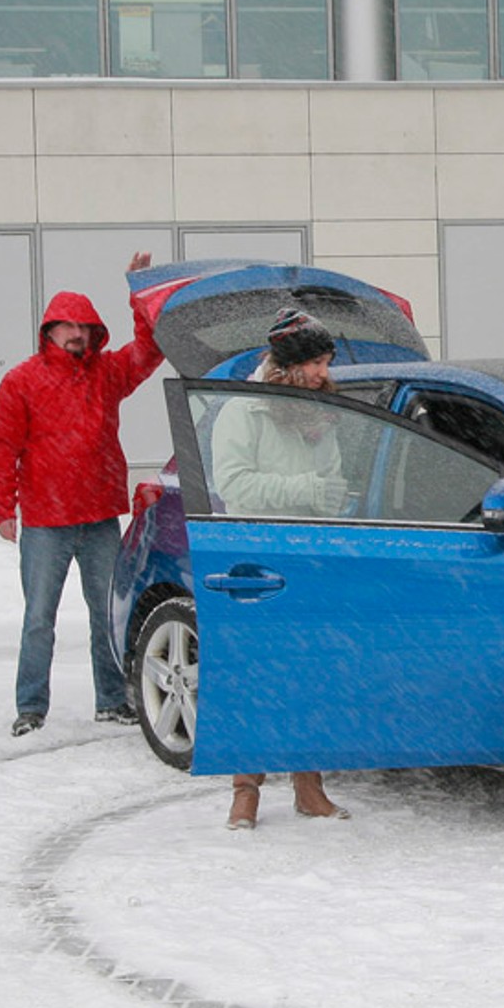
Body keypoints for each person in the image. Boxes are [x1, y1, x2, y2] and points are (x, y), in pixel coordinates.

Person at [0, 252, 165, 738]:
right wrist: (3, 507)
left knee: (106, 615)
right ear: (48, 331)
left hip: (100, 518)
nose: (77, 334)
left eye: (84, 327)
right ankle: (30, 707)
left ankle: (111, 699)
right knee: (39, 617)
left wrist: (140, 290)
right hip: (45, 520)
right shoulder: (21, 380)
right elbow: (2, 447)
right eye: (67, 327)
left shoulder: (107, 373)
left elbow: (148, 351)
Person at [210, 307, 351, 827]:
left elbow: (331, 480)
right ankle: (245, 792)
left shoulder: (320, 413)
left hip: (309, 554)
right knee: (253, 676)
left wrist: (329, 502)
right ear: (287, 365)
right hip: (257, 559)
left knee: (311, 673)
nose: (322, 372)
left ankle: (309, 786)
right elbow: (235, 487)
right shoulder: (243, 413)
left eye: (326, 361)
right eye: (314, 362)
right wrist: (307, 491)